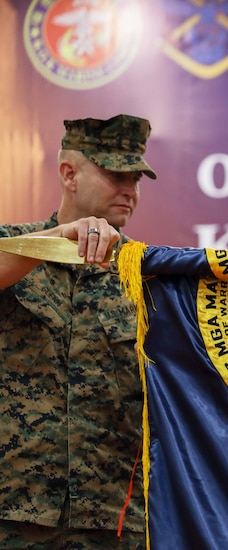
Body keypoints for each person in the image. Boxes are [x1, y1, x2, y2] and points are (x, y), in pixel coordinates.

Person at [0, 114, 157, 549]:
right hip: (15, 511)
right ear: (69, 173)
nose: (130, 189)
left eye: (137, 178)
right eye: (115, 173)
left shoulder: (146, 275)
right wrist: (56, 240)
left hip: (114, 518)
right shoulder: (15, 246)